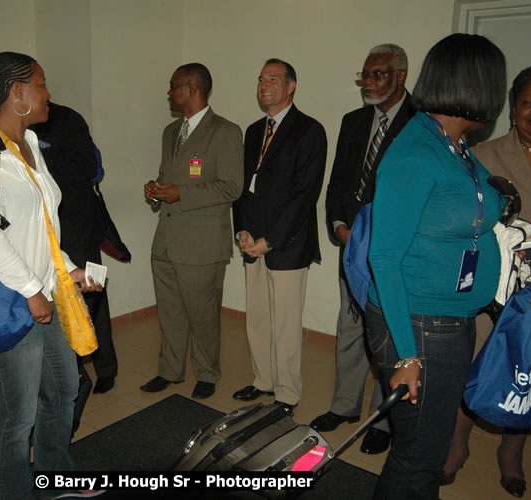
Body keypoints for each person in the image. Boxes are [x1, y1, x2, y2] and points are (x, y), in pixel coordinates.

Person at [0, 52, 100, 499]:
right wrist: (33, 290)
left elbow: (41, 225)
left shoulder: (30, 146)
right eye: (41, 83)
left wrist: (67, 267)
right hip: (10, 298)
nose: (48, 93)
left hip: (46, 290)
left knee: (64, 391)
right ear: (17, 93)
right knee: (17, 417)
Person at [365, 33, 507, 498]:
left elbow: (489, 193)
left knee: (423, 450)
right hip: (421, 327)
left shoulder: (452, 144)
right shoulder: (417, 151)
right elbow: (383, 257)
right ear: (477, 85)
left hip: (446, 320)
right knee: (419, 457)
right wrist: (407, 356)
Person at [442, 63, 531, 498]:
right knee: (474, 371)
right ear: (512, 109)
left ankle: (510, 453)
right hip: (492, 296)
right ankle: (456, 446)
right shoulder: (484, 155)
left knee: (530, 379)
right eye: (527, 102)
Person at [313, 43, 415, 455]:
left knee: (387, 333)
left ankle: (383, 419)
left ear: (401, 76)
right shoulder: (353, 121)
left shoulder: (420, 121)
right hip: (351, 244)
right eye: (366, 75)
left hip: (394, 250)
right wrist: (339, 224)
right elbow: (338, 181)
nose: (370, 83)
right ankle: (344, 405)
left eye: (379, 75)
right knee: (351, 323)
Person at [141, 63, 243, 400]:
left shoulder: (226, 132)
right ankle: (169, 371)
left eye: (173, 86)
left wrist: (181, 193)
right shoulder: (170, 132)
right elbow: (167, 174)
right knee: (169, 312)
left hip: (202, 245)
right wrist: (155, 189)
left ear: (193, 88)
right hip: (166, 241)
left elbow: (231, 188)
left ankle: (207, 373)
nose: (169, 93)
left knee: (203, 315)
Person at [232, 58, 327, 412]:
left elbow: (305, 195)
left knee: (285, 323)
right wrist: (242, 231)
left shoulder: (310, 130)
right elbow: (243, 187)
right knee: (256, 317)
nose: (264, 84)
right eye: (260, 79)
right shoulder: (254, 130)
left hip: (286, 243)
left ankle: (286, 391)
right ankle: (263, 380)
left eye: (273, 78)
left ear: (291, 86)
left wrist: (268, 239)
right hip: (251, 242)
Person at [32, 102, 119, 395]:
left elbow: (89, 166)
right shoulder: (17, 125)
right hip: (42, 231)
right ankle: (72, 370)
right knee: (53, 302)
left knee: (93, 298)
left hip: (78, 227)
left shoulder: (67, 119)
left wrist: (41, 161)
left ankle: (105, 367)